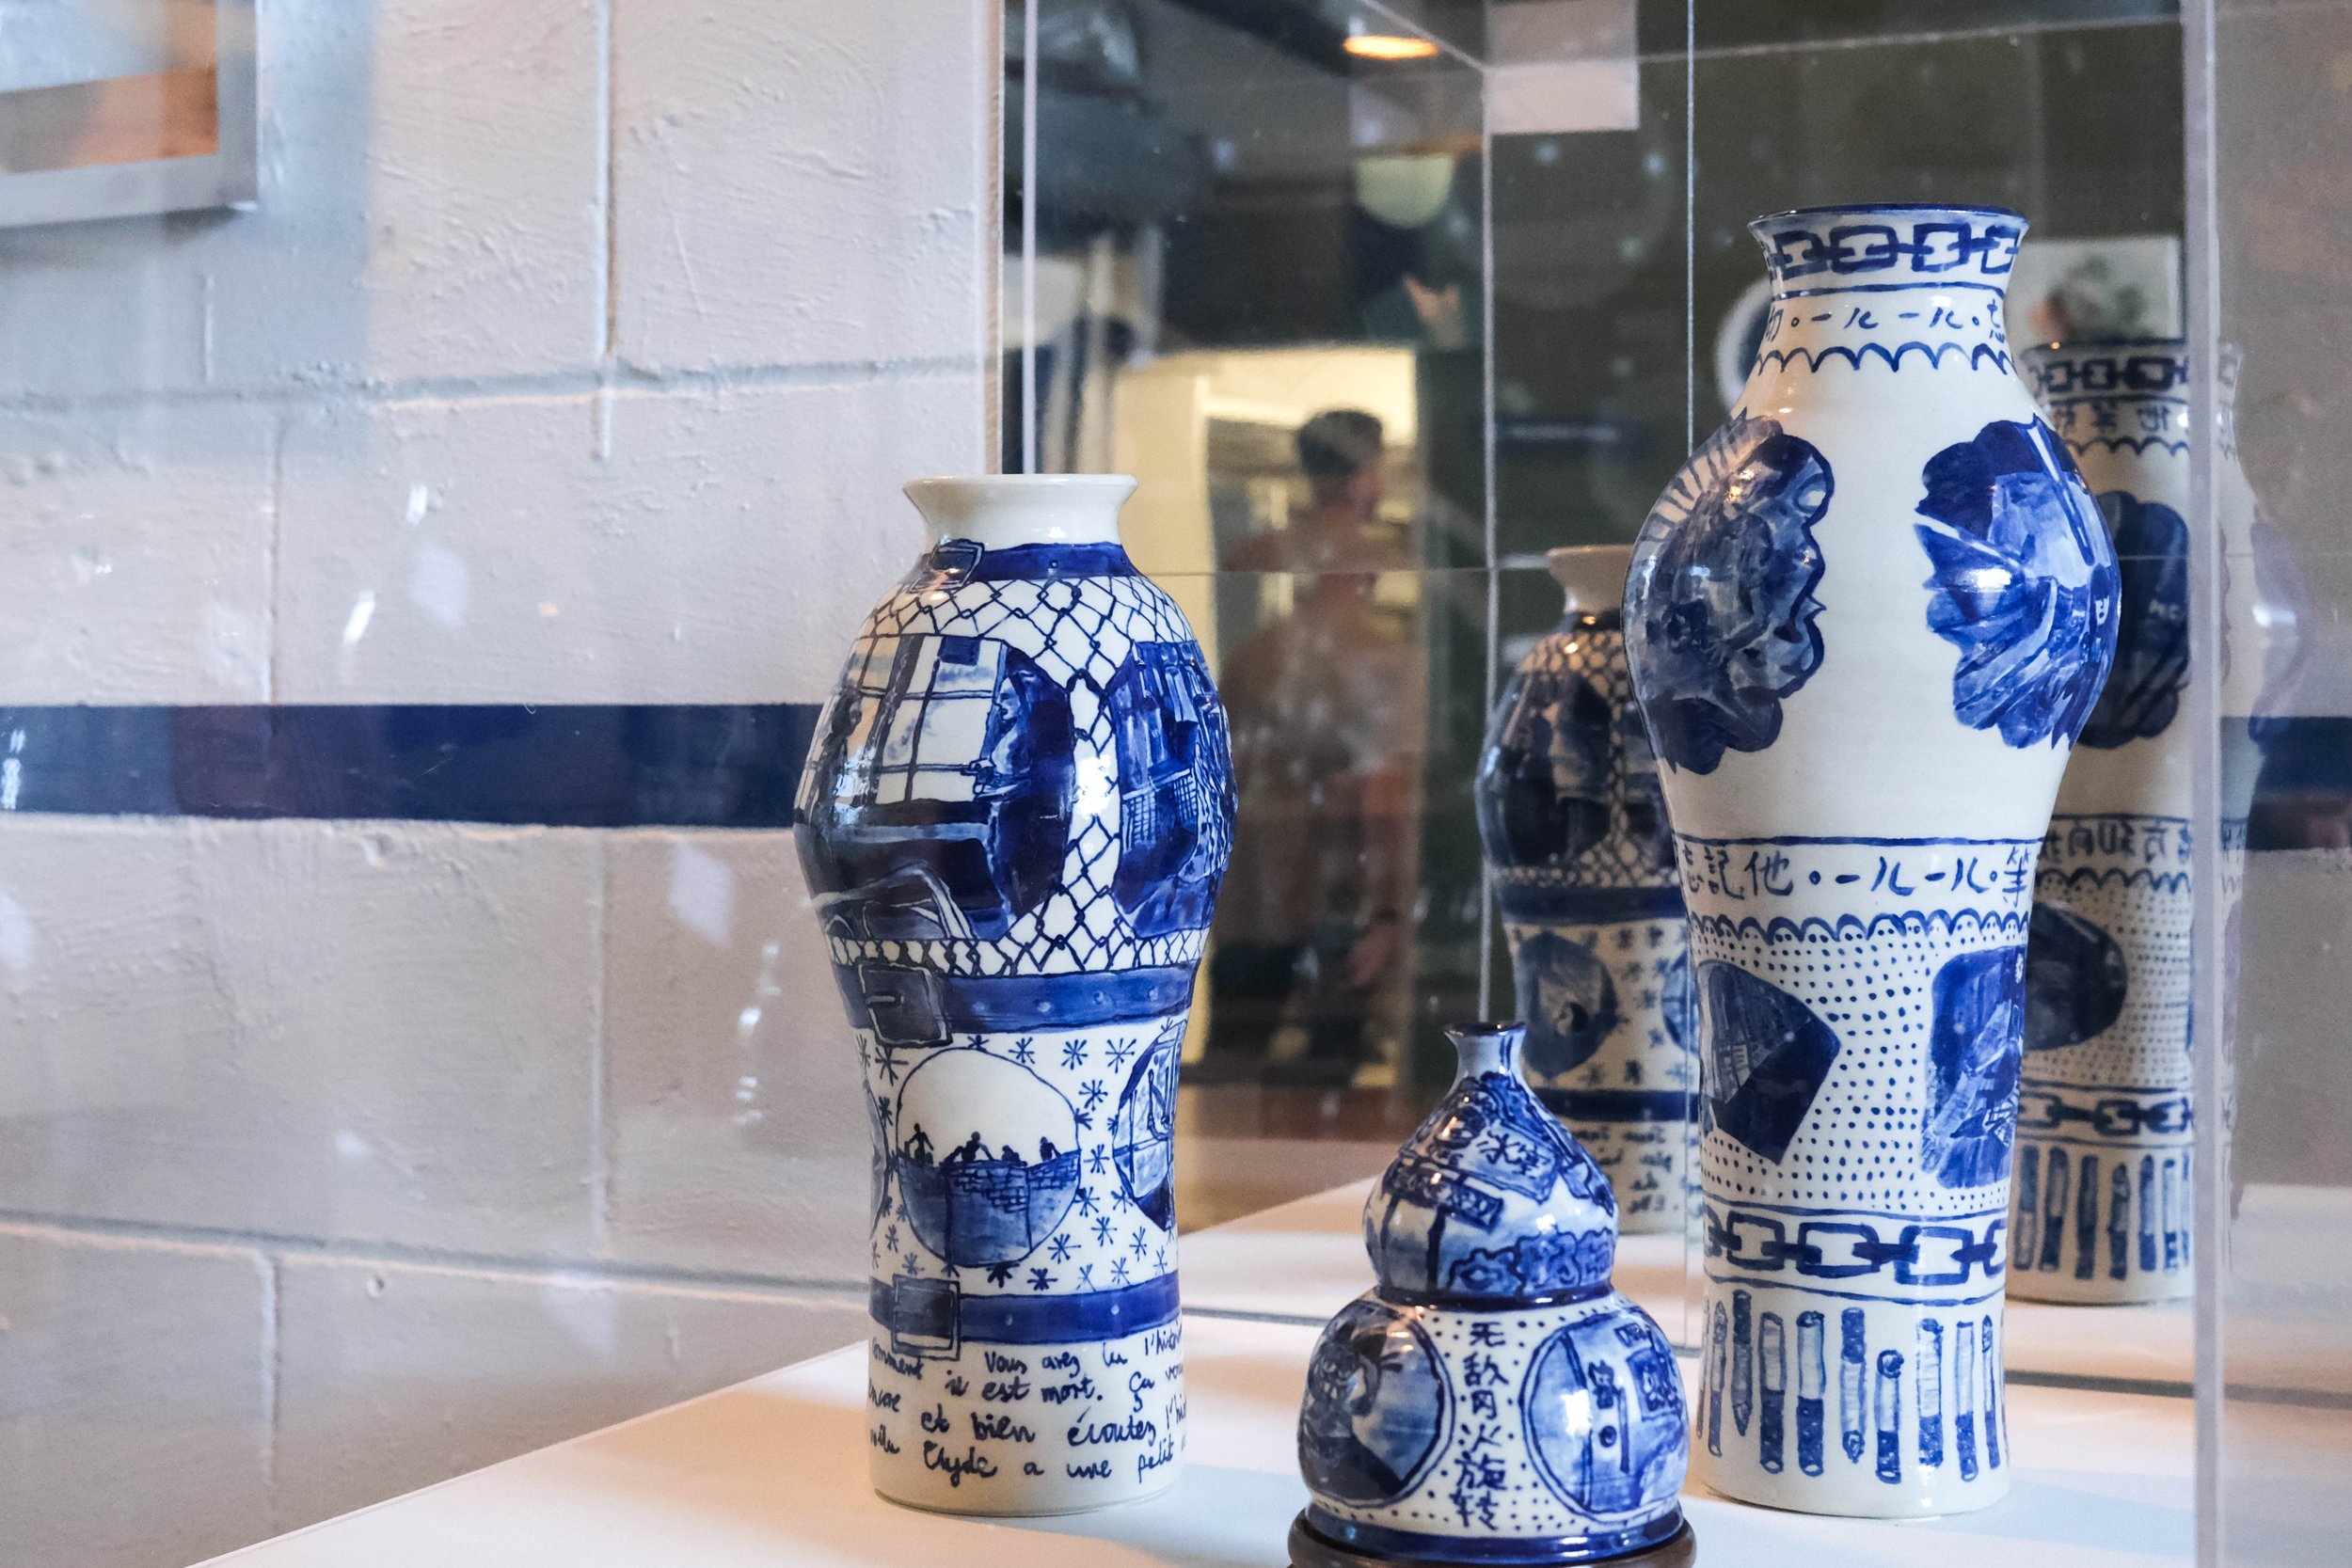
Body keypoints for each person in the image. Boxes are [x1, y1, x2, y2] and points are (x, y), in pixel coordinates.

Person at [1200, 410, 1425, 1085]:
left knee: (1239, 1069)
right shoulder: (1384, 656)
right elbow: (1379, 789)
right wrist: (1387, 915)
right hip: (1327, 900)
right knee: (1325, 1086)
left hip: (1254, 904)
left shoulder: (1253, 654)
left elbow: (1225, 780)